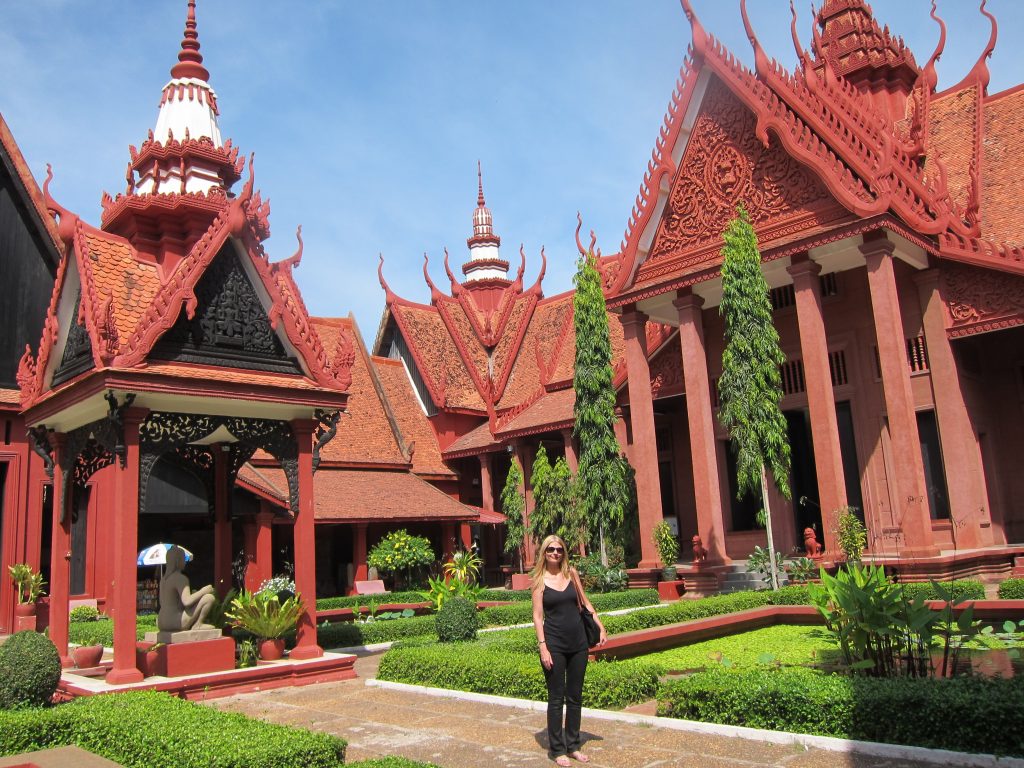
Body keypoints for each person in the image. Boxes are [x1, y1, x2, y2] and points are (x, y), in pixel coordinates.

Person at [531, 534, 606, 766]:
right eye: (551, 550)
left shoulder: (571, 574)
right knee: (556, 698)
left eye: (560, 549)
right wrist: (543, 647)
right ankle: (557, 749)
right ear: (544, 553)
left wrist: (600, 626)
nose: (555, 553)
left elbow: (584, 603)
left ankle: (573, 745)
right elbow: (537, 616)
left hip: (578, 642)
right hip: (554, 644)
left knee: (575, 696)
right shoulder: (539, 580)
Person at [157, 545, 216, 632]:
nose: (185, 561)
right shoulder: (180, 578)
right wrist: (203, 591)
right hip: (176, 621)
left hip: (161, 622)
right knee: (209, 598)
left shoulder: (163, 580)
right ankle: (198, 625)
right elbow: (187, 601)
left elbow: (162, 602)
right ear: (177, 561)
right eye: (183, 558)